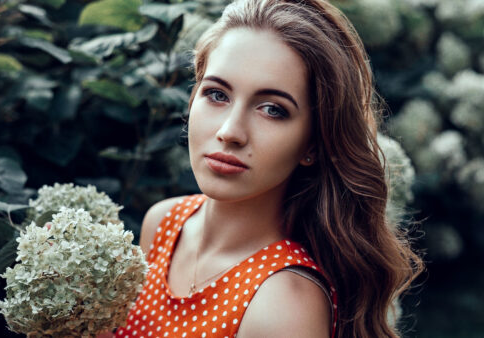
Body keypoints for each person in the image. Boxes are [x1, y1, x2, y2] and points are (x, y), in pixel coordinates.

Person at [111, 0, 424, 337]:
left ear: (313, 144)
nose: (230, 131)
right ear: (192, 100)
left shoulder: (284, 306)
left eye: (273, 110)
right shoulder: (162, 224)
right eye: (217, 94)